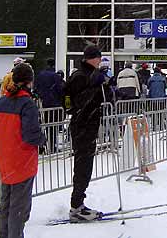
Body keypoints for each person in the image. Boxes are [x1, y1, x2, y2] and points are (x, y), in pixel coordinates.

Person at [0, 63, 46, 238]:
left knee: (6, 206)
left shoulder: (1, 102)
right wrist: (42, 139)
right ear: (29, 81)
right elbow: (31, 134)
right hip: (22, 161)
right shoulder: (27, 104)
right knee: (19, 208)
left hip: (5, 159)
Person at [65, 44, 111, 221]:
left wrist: (106, 89)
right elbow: (77, 103)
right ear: (91, 58)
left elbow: (98, 98)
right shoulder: (81, 76)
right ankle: (76, 205)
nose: (100, 60)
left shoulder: (90, 75)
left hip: (89, 125)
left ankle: (79, 202)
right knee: (82, 166)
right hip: (81, 126)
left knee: (86, 166)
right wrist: (95, 87)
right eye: (98, 57)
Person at [34, 58, 63, 153]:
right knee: (53, 127)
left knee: (44, 125)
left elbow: (36, 89)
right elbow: (60, 91)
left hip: (43, 105)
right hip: (54, 105)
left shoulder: (40, 75)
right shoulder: (56, 76)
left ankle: (43, 145)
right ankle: (52, 146)